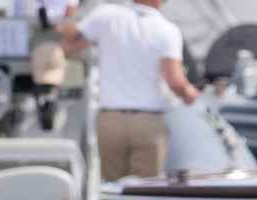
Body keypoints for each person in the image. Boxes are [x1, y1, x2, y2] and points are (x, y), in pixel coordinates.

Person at [58, 0, 199, 181]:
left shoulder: (105, 16)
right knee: (146, 191)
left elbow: (70, 43)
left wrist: (68, 17)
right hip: (149, 123)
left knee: (111, 186)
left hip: (110, 121)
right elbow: (175, 81)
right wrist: (190, 94)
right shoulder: (168, 30)